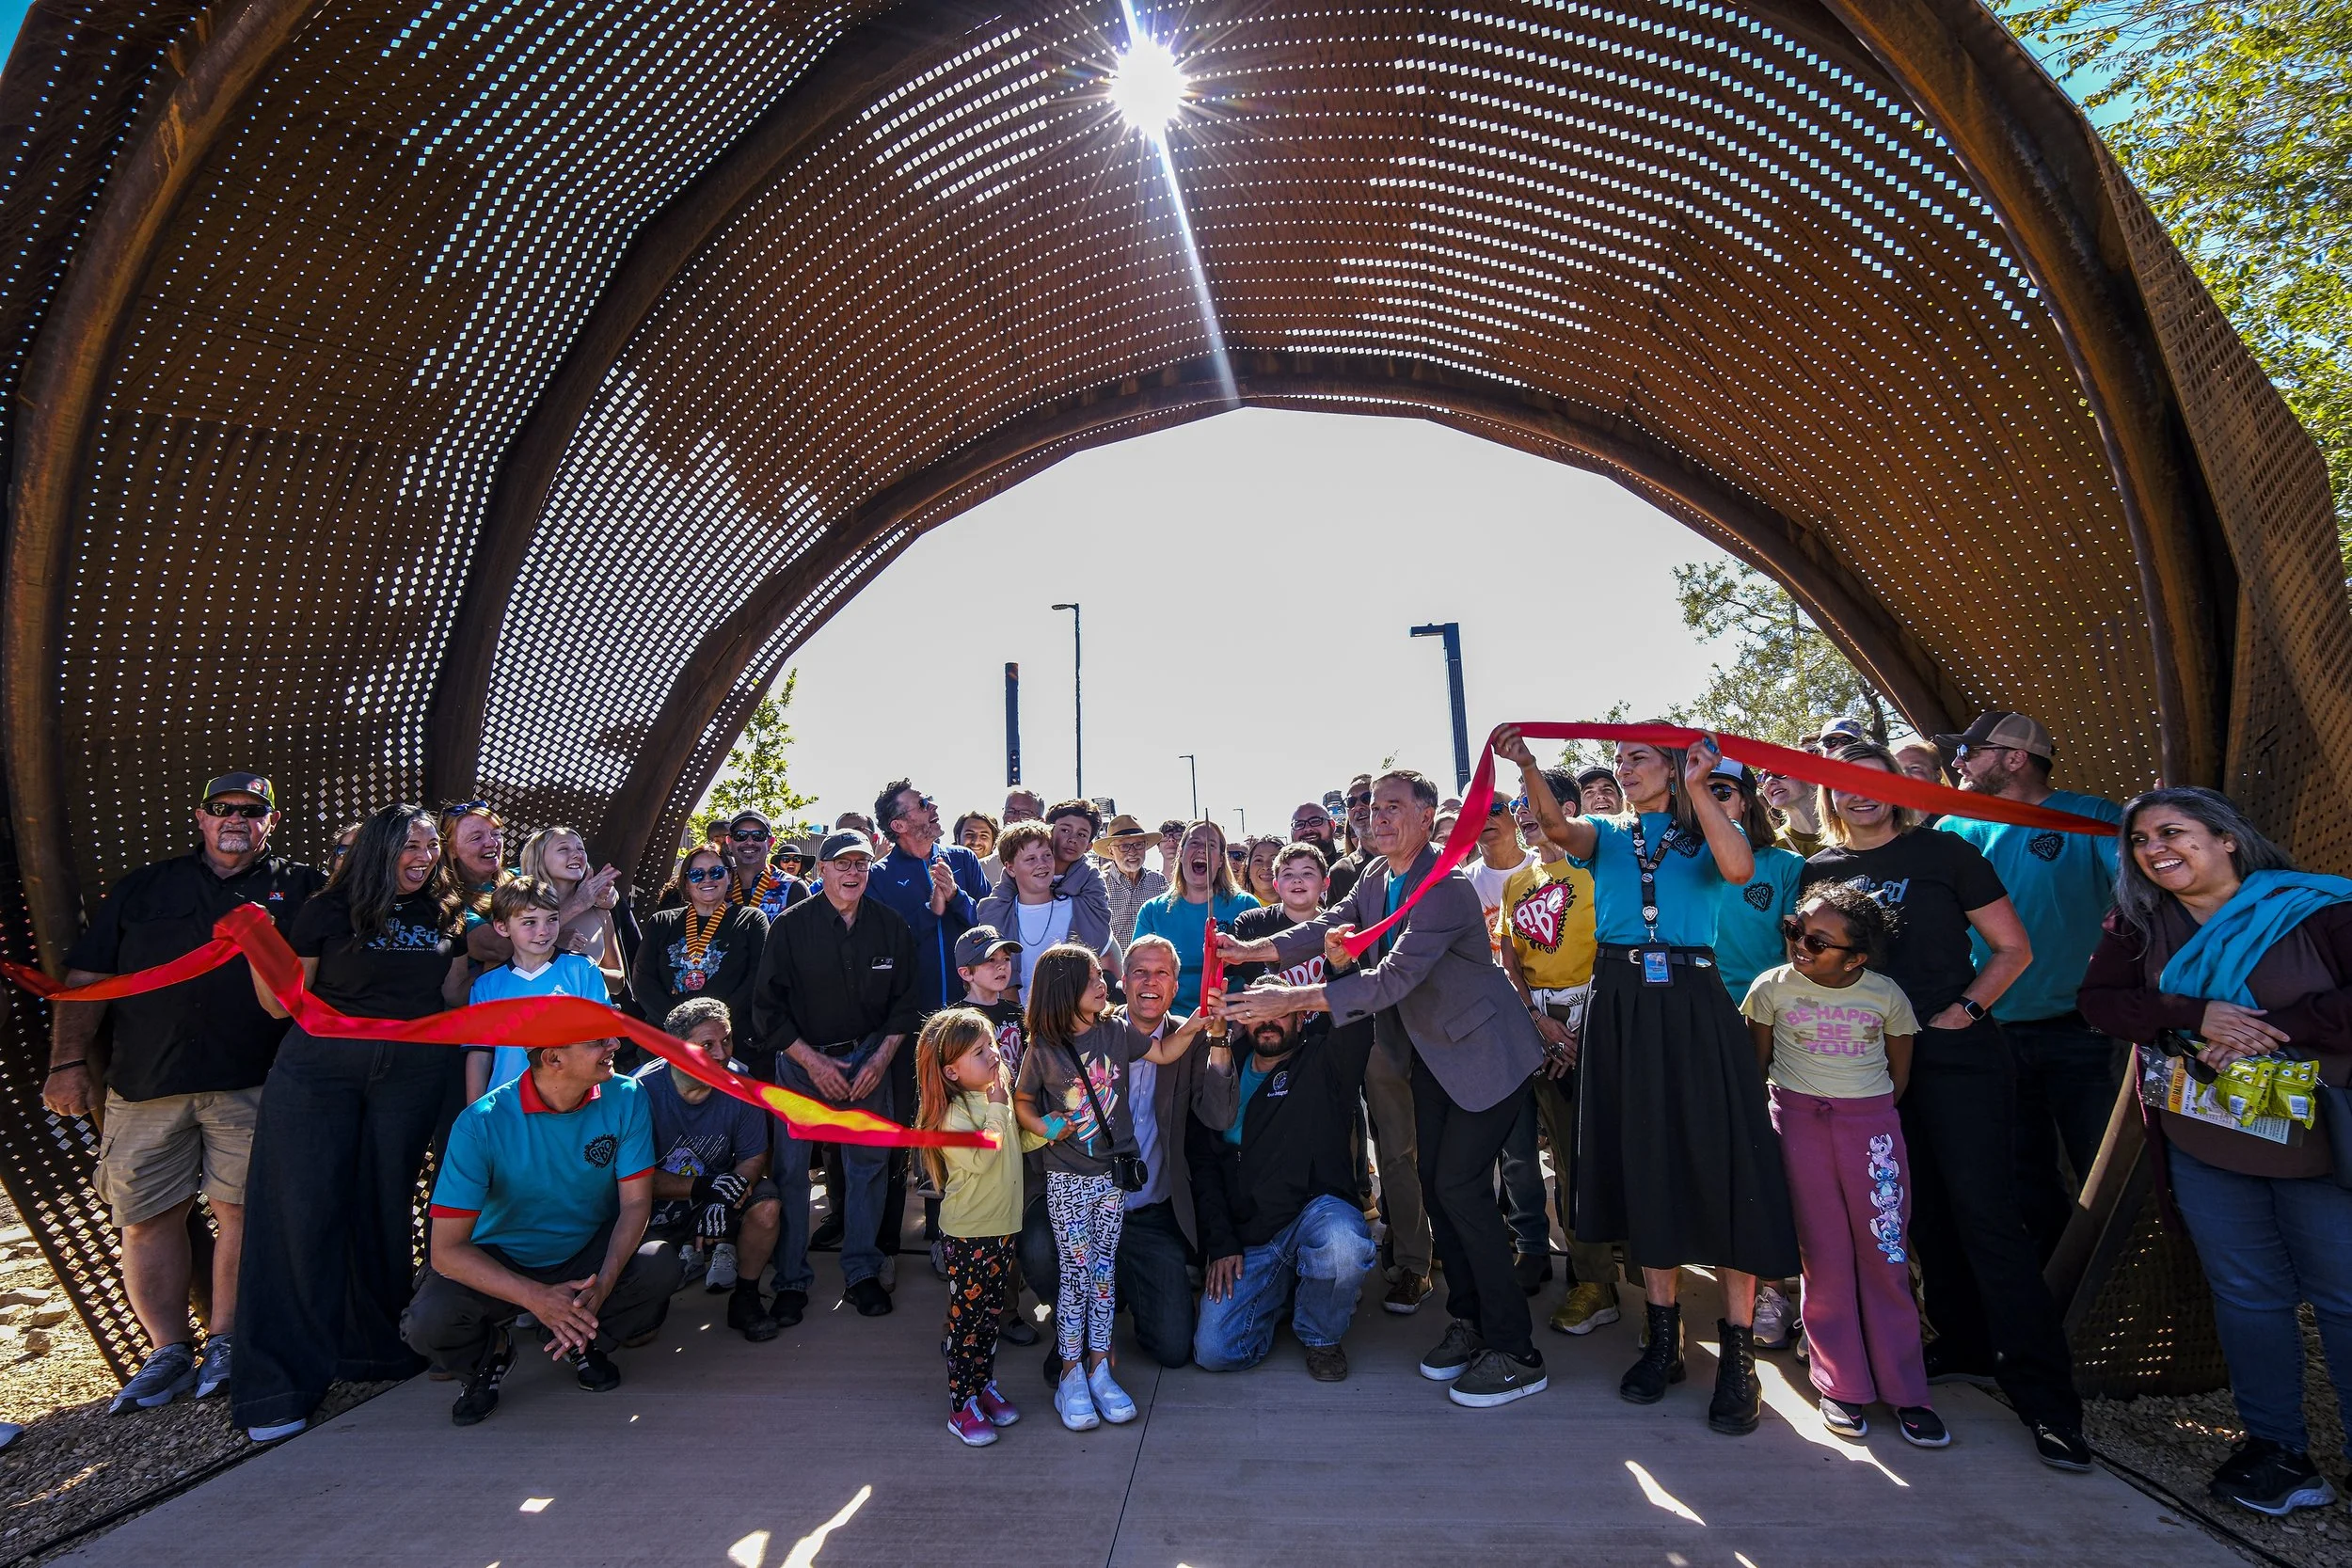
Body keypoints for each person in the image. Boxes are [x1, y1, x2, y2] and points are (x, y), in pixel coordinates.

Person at [1800, 739, 2090, 1469]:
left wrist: (1964, 1011)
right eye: (1844, 783)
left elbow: (2010, 948)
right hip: (1867, 1069)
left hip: (1955, 1057)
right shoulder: (1820, 870)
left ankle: (2047, 1400)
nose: (1859, 794)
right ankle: (1961, 1341)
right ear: (1829, 795)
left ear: (1898, 789)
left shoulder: (1944, 852)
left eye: (1874, 782)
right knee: (1915, 1211)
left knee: (1988, 1215)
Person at [1219, 769, 1549, 1410]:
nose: (1379, 817)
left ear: (1428, 817)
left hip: (1486, 1057)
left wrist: (1289, 995)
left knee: (1460, 1189)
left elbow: (1388, 981)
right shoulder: (1373, 877)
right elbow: (1326, 926)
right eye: (1375, 808)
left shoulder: (1445, 888)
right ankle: (1472, 1321)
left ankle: (1517, 1351)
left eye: (1395, 807)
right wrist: (1253, 952)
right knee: (1435, 1185)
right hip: (1434, 1059)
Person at [1500, 726, 1794, 1435]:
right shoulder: (1605, 834)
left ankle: (1739, 1359)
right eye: (1623, 759)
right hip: (1622, 999)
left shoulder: (1703, 824)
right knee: (1646, 1163)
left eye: (1638, 758)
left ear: (1671, 765)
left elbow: (1736, 865)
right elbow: (1556, 824)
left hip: (1695, 999)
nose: (1625, 769)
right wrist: (1530, 764)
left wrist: (1700, 787)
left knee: (1723, 1166)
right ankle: (1664, 1339)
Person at [2077, 787, 2352, 1518]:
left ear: (2227, 838)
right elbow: (2100, 1001)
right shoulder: (2139, 921)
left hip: (2319, 1146)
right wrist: (2195, 1012)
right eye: (2140, 840)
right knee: (2247, 1295)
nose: (2155, 848)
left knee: (2344, 1297)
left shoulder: (2317, 908)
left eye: (2174, 831)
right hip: (2206, 1142)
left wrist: (2276, 1027)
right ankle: (2279, 1452)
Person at [47, 770, 323, 1413]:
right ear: (200, 818)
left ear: (271, 822)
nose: (237, 819)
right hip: (147, 1084)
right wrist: (66, 1061)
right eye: (223, 808)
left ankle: (226, 1339)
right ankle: (168, 1351)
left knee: (243, 1214)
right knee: (145, 1219)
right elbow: (88, 976)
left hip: (253, 1081)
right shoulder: (146, 887)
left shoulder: (303, 888)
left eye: (253, 810)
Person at [233, 804, 469, 1443]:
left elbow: (452, 1000)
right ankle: (279, 1384)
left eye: (429, 847)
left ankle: (373, 1351)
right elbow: (278, 1004)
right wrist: (258, 947)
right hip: (319, 1074)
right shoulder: (326, 910)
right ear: (379, 850)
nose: (423, 857)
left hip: (410, 1078)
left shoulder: (445, 912)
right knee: (300, 1213)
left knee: (382, 1211)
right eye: (409, 847)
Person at [1742, 885, 1946, 1449]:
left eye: (1818, 941)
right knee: (1822, 1256)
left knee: (1885, 1255)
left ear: (1857, 958)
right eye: (1796, 931)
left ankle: (1907, 1390)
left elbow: (1899, 1073)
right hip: (1798, 1127)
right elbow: (1754, 1066)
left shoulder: (1886, 996)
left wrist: (1867, 1116)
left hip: (1871, 1132)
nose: (1800, 946)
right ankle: (1841, 1383)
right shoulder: (1771, 989)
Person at [401, 1037, 680, 1426]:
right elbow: (446, 1251)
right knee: (427, 1321)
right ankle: (490, 1354)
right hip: (502, 1260)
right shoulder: (480, 1122)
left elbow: (635, 1203)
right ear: (553, 1058)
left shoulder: (627, 1094)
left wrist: (602, 1286)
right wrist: (537, 1298)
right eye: (598, 1041)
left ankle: (578, 1339)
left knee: (659, 1265)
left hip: (584, 1252)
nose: (614, 1044)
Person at [1933, 711, 2127, 1260]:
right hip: (1987, 1028)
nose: (1959, 762)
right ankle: (2052, 1294)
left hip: (2082, 1030)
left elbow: (2149, 892)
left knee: (2099, 1164)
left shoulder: (2092, 819)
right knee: (2021, 1175)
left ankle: (2109, 1288)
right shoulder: (1953, 830)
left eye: (1971, 751)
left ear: (2015, 758)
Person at [1014, 943, 1216, 1432]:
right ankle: (1070, 1372)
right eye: (1093, 979)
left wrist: (1202, 1016)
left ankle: (1101, 1368)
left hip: (1111, 1179)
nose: (1104, 983)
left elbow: (1166, 1051)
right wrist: (1045, 1127)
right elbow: (1022, 1100)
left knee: (1100, 1277)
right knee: (1075, 1278)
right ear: (1066, 992)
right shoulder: (1042, 1048)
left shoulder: (1116, 1031)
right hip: (1066, 1179)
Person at [1231, 842, 1432, 1313]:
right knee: (1324, 1145)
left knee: (1397, 1146)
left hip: (1361, 1037)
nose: (1298, 881)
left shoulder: (1345, 924)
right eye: (1288, 873)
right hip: (1297, 1058)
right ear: (1272, 882)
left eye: (1309, 872)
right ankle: (1322, 1248)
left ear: (1326, 883)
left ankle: (1412, 1261)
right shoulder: (1255, 927)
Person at [752, 830, 918, 1322]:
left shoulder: (891, 926)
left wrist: (879, 1060)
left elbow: (906, 1005)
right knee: (792, 1172)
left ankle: (863, 1270)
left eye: (861, 865)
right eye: (841, 864)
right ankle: (791, 1279)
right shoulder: (788, 927)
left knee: (868, 1168)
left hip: (870, 1060)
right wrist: (813, 1062)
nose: (852, 873)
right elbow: (767, 1012)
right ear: (820, 869)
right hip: (803, 1065)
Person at [1191, 980, 1380, 1380]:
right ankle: (1291, 1293)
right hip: (1251, 1236)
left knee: (1344, 1247)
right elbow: (1204, 1163)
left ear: (1300, 1014)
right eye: (1257, 1012)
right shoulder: (1224, 1064)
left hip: (1313, 1215)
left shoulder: (1325, 1062)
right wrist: (1221, 1242)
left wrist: (1342, 966)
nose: (1268, 1021)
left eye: (1278, 1009)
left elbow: (1358, 1018)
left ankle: (1320, 1335)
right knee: (1215, 1351)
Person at [1496, 768, 1615, 1336]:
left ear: (1568, 812)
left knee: (1578, 1158)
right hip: (1535, 1027)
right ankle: (1544, 1253)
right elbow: (1511, 959)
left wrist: (1574, 1031)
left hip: (1591, 1021)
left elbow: (1613, 948)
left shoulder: (1598, 870)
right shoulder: (1517, 883)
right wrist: (1539, 1021)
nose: (1525, 820)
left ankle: (1598, 1281)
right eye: (1520, 813)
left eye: (1537, 811)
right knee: (1530, 1153)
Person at [915, 1008, 1031, 1446]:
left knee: (989, 1318)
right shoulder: (951, 1116)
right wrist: (1002, 1106)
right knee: (967, 1322)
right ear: (951, 1071)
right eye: (980, 1052)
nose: (994, 1056)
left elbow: (1019, 1141)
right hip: (969, 1235)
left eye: (993, 1047)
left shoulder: (992, 1101)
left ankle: (983, 1386)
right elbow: (985, 1155)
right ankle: (961, 1405)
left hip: (1002, 1227)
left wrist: (1054, 1127)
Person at [636, 999, 782, 1341]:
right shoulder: (639, 1093)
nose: (722, 1053)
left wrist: (724, 1197)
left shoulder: (741, 1086)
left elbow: (752, 1157)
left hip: (718, 1192)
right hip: (652, 1207)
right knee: (637, 1335)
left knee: (767, 1206)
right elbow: (634, 1179)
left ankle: (745, 1298)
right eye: (706, 1045)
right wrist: (707, 1189)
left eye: (726, 1040)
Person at [464, 878, 612, 1101]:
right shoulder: (487, 986)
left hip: (572, 1102)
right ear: (502, 927)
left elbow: (604, 1040)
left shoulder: (582, 968)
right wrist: (474, 1114)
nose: (543, 931)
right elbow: (479, 1055)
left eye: (552, 919)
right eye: (529, 922)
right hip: (509, 1106)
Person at [631, 846, 771, 1067]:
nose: (707, 880)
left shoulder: (751, 920)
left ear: (729, 876)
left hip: (729, 1046)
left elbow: (757, 979)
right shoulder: (662, 922)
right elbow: (642, 982)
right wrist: (684, 1030)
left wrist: (712, 1029)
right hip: (667, 1044)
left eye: (715, 872)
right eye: (697, 874)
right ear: (686, 882)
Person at [977, 820, 1111, 1004]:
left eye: (1047, 856)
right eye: (1031, 859)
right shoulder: (999, 916)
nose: (1042, 864)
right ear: (1010, 868)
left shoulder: (1079, 909)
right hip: (1016, 1025)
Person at [1132, 821, 1259, 1013]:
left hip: (1232, 1019)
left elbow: (1258, 975)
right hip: (1170, 1023)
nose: (1202, 850)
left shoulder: (1246, 906)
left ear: (1221, 860)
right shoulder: (1152, 911)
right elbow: (1137, 972)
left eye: (1211, 845)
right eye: (1195, 843)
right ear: (1181, 854)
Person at [516, 826, 628, 993]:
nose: (577, 854)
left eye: (580, 848)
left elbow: (618, 984)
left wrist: (583, 968)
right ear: (539, 859)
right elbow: (502, 964)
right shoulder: (520, 907)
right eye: (563, 849)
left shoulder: (600, 912)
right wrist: (553, 951)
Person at [1465, 798, 1535, 961]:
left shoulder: (1545, 869)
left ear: (1515, 817)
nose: (1485, 818)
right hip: (1486, 983)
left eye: (1494, 809)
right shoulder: (1462, 883)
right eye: (1476, 814)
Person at [1096, 815, 1167, 947]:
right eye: (1124, 846)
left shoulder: (1158, 881)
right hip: (1114, 966)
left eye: (1138, 845)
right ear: (1111, 851)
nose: (1132, 852)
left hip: (1152, 965)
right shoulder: (1098, 884)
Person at [723, 811, 807, 920]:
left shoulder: (793, 887)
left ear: (770, 843)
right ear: (729, 842)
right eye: (741, 835)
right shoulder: (717, 884)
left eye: (758, 835)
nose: (749, 842)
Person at [954, 810, 1002, 881]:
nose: (976, 842)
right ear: (957, 839)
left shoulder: (1004, 875)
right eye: (969, 834)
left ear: (994, 843)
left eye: (983, 836)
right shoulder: (942, 870)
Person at [1243, 835, 1283, 908]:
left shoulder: (1303, 905)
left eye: (1274, 859)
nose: (1266, 867)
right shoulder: (1236, 906)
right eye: (1258, 860)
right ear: (1248, 870)